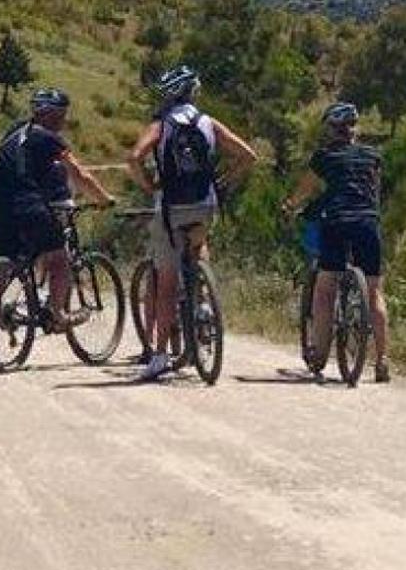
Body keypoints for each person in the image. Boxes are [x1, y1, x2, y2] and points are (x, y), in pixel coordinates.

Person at [127, 65, 258, 382]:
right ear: (193, 93)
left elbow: (133, 158)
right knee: (198, 247)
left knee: (167, 282)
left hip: (172, 207)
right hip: (205, 204)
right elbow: (249, 156)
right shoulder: (208, 123)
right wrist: (223, 183)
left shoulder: (160, 125)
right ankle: (202, 303)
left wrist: (149, 186)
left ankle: (159, 356)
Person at [0, 88, 115, 357]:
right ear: (51, 114)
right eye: (62, 115)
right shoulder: (48, 137)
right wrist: (104, 198)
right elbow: (79, 174)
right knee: (59, 258)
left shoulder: (14, 133)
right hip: (28, 205)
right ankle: (57, 314)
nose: (64, 121)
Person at [284, 101, 391, 383]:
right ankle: (382, 361)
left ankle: (320, 353)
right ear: (355, 128)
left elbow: (305, 190)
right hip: (369, 222)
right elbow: (375, 192)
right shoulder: (372, 155)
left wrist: (290, 206)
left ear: (332, 129)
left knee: (325, 286)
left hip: (337, 221)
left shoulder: (324, 157)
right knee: (374, 290)